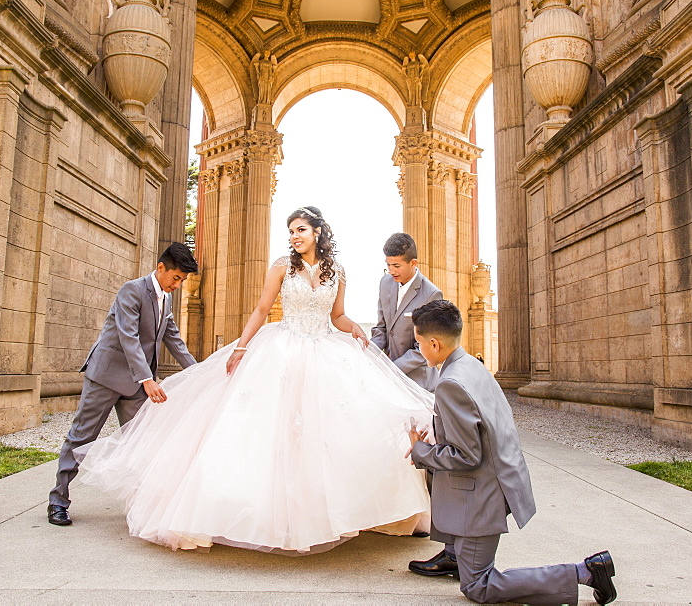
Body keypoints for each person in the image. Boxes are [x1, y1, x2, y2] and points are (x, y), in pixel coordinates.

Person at [74, 206, 435, 553]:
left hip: (325, 350)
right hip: (282, 348)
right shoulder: (281, 266)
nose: (294, 237)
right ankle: (260, 513)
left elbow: (337, 315)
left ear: (318, 232)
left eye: (301, 230)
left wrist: (354, 328)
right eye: (291, 231)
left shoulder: (337, 270)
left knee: (327, 431)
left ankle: (330, 510)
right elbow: (262, 308)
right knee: (268, 430)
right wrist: (241, 347)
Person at [406, 300, 618, 605]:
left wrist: (420, 450)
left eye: (419, 342)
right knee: (472, 573)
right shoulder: (471, 366)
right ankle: (457, 557)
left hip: (479, 495)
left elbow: (466, 456)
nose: (419, 348)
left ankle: (585, 572)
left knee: (478, 586)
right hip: (497, 479)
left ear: (434, 343)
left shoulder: (450, 383)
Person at [47, 242, 199, 526]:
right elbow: (128, 336)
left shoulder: (166, 299)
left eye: (182, 280)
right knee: (82, 435)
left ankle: (139, 504)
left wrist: (200, 373)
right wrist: (147, 379)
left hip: (135, 386)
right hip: (106, 376)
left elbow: (174, 340)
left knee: (141, 441)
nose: (178, 284)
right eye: (176, 277)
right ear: (161, 267)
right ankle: (58, 500)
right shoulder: (132, 290)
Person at [370, 233, 443, 392]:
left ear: (413, 263)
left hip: (418, 383)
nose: (391, 271)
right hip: (389, 381)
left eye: (396, 266)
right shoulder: (385, 283)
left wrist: (392, 370)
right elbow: (382, 329)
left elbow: (425, 348)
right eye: (388, 265)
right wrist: (368, 353)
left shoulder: (432, 294)